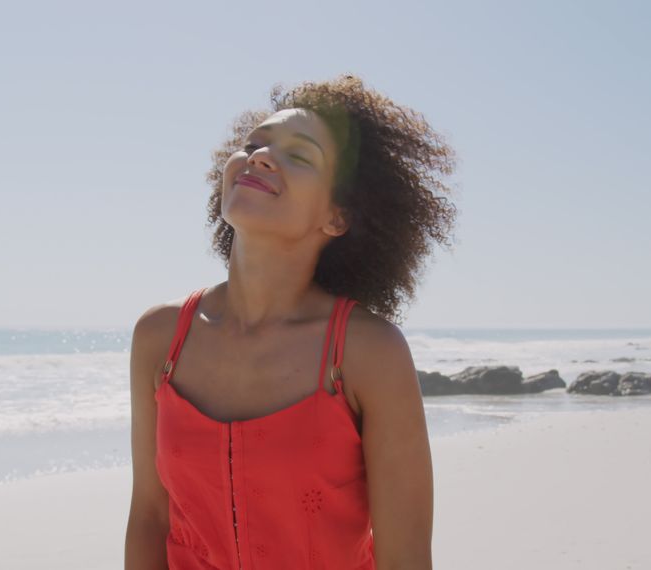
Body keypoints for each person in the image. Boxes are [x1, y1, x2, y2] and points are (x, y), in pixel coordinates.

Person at [125, 74, 457, 569]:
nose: (259, 157)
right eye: (254, 144)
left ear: (337, 217)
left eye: (299, 156)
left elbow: (405, 558)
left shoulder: (367, 353)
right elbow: (150, 516)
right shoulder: (161, 337)